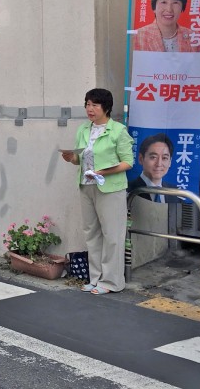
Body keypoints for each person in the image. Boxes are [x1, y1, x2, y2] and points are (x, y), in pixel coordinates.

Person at [61, 88, 134, 294]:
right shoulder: (84, 129)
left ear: (106, 107)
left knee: (112, 235)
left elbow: (128, 162)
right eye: (87, 104)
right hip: (86, 186)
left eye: (94, 105)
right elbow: (80, 159)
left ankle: (112, 282)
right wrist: (71, 158)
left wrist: (102, 171)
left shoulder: (118, 131)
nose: (89, 109)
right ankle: (96, 278)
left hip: (110, 188)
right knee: (92, 233)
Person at [133, 0, 200, 52]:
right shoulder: (140, 35)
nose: (169, 9)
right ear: (154, 7)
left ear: (182, 7)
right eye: (164, 2)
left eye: (175, 3)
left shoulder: (193, 37)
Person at [127, 133, 179, 203]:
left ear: (170, 162)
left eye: (164, 158)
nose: (159, 164)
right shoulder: (128, 190)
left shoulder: (175, 192)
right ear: (141, 159)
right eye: (153, 157)